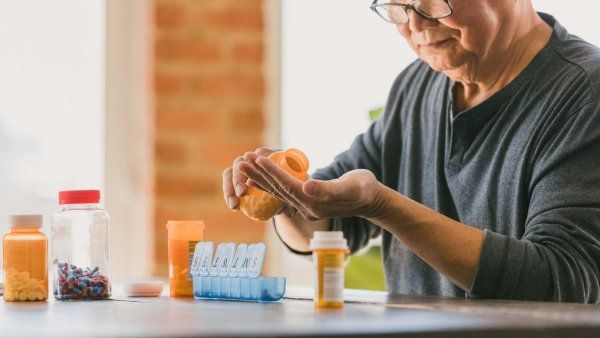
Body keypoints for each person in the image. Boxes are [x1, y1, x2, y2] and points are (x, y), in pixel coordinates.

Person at [222, 0, 600, 303]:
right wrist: (288, 196)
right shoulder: (417, 85)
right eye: (400, 5)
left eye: (435, 2)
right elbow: (334, 226)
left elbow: (565, 281)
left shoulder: (585, 93)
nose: (415, 26)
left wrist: (382, 205)